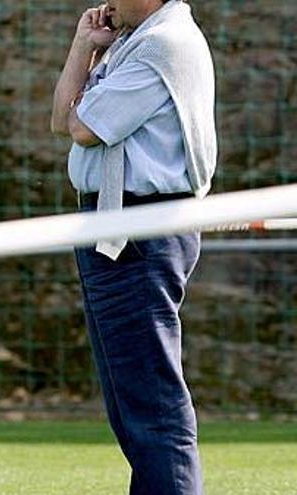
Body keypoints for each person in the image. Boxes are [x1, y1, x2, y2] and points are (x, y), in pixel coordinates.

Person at [49, 1, 216, 494]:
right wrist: (84, 46)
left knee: (153, 408)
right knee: (133, 408)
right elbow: (62, 119)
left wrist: (86, 94)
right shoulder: (131, 42)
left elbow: (84, 128)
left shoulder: (163, 45)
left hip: (139, 234)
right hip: (112, 226)